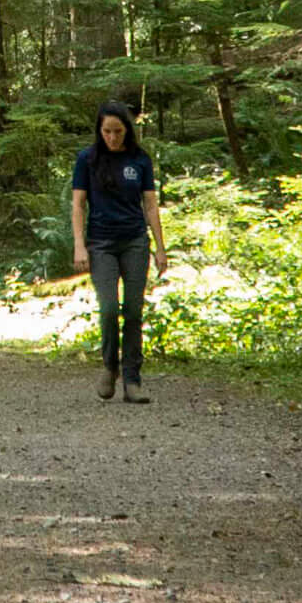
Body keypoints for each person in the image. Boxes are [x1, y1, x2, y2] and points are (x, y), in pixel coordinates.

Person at [69, 102, 169, 403]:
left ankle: (133, 378)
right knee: (110, 308)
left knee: (134, 311)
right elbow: (78, 205)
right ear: (100, 131)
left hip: (135, 241)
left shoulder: (139, 160)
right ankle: (110, 366)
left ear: (127, 130)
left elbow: (150, 205)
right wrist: (79, 245)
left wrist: (160, 248)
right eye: (107, 131)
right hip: (101, 243)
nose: (112, 137)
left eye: (118, 131)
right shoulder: (87, 159)